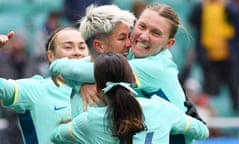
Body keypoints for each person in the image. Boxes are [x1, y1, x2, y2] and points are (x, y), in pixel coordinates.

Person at [50, 4, 205, 144]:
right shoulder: (135, 53)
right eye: (142, 26)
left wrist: (57, 65)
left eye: (156, 33)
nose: (144, 36)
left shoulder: (154, 67)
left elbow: (82, 71)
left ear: (168, 44)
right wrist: (81, 84)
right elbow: (88, 67)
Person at [51, 52, 209, 144]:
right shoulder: (162, 108)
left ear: (98, 89)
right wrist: (188, 113)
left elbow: (56, 136)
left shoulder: (88, 122)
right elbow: (202, 132)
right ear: (133, 81)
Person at [0, 27, 89, 144]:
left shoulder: (104, 91)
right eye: (68, 47)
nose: (77, 52)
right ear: (51, 56)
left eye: (82, 47)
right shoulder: (36, 89)